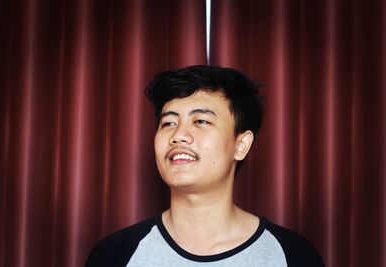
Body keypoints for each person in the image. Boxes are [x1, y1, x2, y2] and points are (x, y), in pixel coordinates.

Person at [85, 65, 324, 266]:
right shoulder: (114, 255)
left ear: (241, 145)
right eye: (168, 123)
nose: (179, 135)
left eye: (200, 121)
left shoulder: (292, 255)